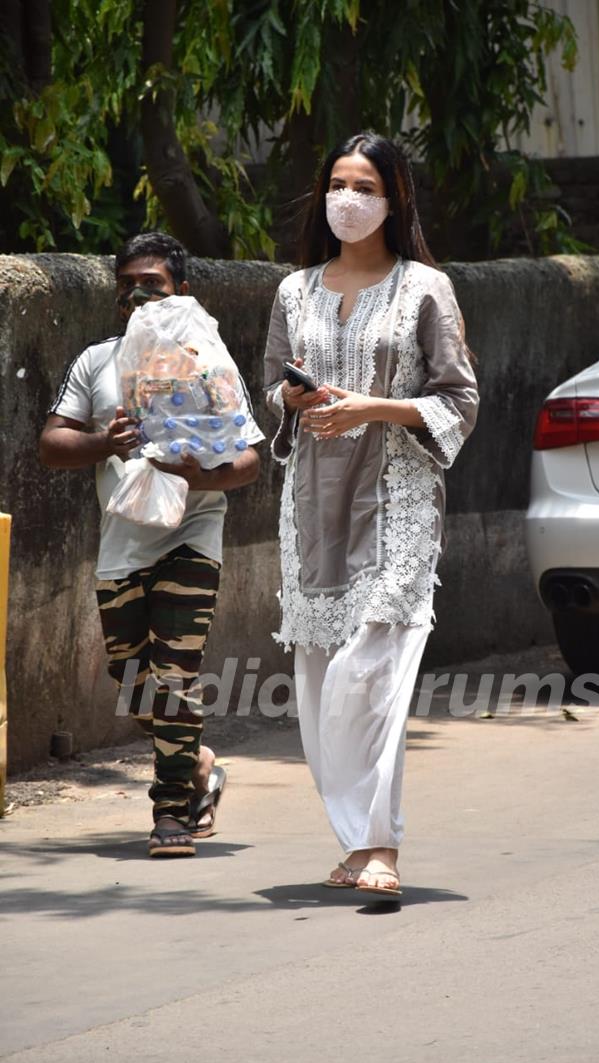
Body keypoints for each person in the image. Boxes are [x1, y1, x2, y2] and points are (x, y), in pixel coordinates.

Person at [263, 133, 478, 895]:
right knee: (321, 676)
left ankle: (380, 845)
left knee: (374, 668)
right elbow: (272, 394)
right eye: (337, 184)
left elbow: (460, 399)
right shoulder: (294, 292)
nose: (346, 199)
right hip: (315, 504)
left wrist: (373, 408)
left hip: (396, 502)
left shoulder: (425, 288)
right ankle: (355, 843)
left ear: (394, 200)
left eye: (364, 187)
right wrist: (292, 399)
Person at [39, 232, 264, 857]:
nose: (138, 295)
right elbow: (51, 444)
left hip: (193, 531)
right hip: (122, 542)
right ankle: (196, 763)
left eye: (153, 283)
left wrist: (206, 477)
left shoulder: (208, 361)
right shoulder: (97, 362)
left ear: (181, 291)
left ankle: (172, 814)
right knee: (131, 677)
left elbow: (249, 457)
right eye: (126, 285)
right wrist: (102, 443)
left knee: (174, 676)